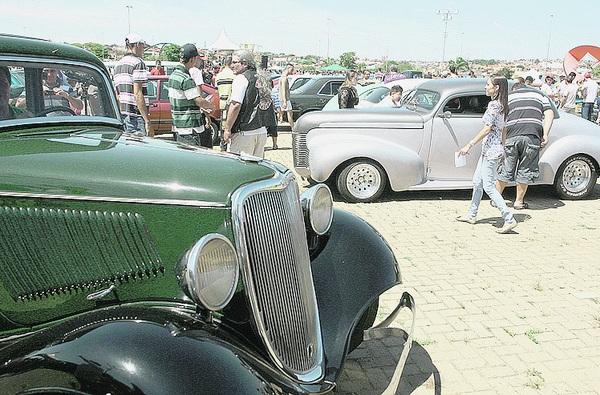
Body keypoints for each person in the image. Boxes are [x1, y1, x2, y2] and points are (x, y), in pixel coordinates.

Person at [456, 76, 518, 234]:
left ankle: (509, 218)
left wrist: (469, 144)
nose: (486, 87)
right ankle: (471, 214)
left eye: (488, 85)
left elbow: (487, 128)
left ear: (496, 88)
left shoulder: (494, 105)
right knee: (478, 182)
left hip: (490, 151)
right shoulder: (504, 106)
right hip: (492, 150)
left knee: (488, 186)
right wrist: (502, 147)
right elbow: (504, 129)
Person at [495, 82, 554, 210]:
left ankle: (496, 199)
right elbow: (550, 114)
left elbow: (502, 120)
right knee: (525, 170)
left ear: (514, 89)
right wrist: (545, 133)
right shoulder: (539, 95)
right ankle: (518, 202)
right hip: (531, 136)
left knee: (506, 168)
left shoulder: (507, 97)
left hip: (512, 135)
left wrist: (502, 141)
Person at [223, 50, 268, 157]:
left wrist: (227, 128)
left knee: (240, 169)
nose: (231, 65)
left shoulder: (241, 78)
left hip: (244, 131)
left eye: (234, 62)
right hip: (261, 130)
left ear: (244, 64)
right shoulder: (262, 77)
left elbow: (235, 105)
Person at [167, 43, 213, 148]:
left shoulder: (173, 76)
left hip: (178, 126)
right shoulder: (186, 78)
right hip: (189, 127)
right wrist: (210, 105)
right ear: (192, 59)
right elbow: (198, 101)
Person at [114, 34, 153, 136]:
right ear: (137, 45)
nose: (143, 49)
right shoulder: (138, 63)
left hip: (123, 115)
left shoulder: (118, 65)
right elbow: (138, 93)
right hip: (136, 116)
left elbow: (117, 95)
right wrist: (147, 121)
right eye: (143, 46)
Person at [215, 56, 235, 151]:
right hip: (231, 104)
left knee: (223, 127)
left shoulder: (219, 76)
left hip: (221, 103)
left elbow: (216, 91)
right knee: (230, 126)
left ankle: (223, 146)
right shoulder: (234, 75)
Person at [278, 63, 295, 142]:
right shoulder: (284, 78)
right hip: (285, 99)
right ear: (288, 68)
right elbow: (284, 90)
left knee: (281, 113)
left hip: (281, 98)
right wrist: (285, 101)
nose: (292, 71)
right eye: (291, 70)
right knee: (290, 113)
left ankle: (279, 123)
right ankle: (293, 128)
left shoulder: (281, 77)